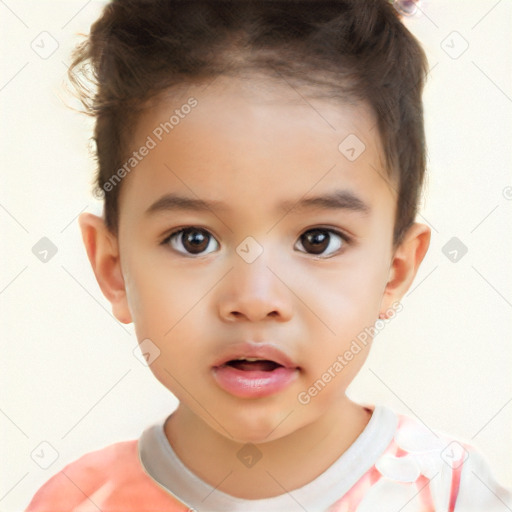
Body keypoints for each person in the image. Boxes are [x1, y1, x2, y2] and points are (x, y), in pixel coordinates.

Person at [26, 0, 512, 510]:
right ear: (113, 267)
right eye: (193, 239)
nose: (254, 300)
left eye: (317, 240)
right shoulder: (79, 500)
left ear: (395, 271)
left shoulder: (453, 496)